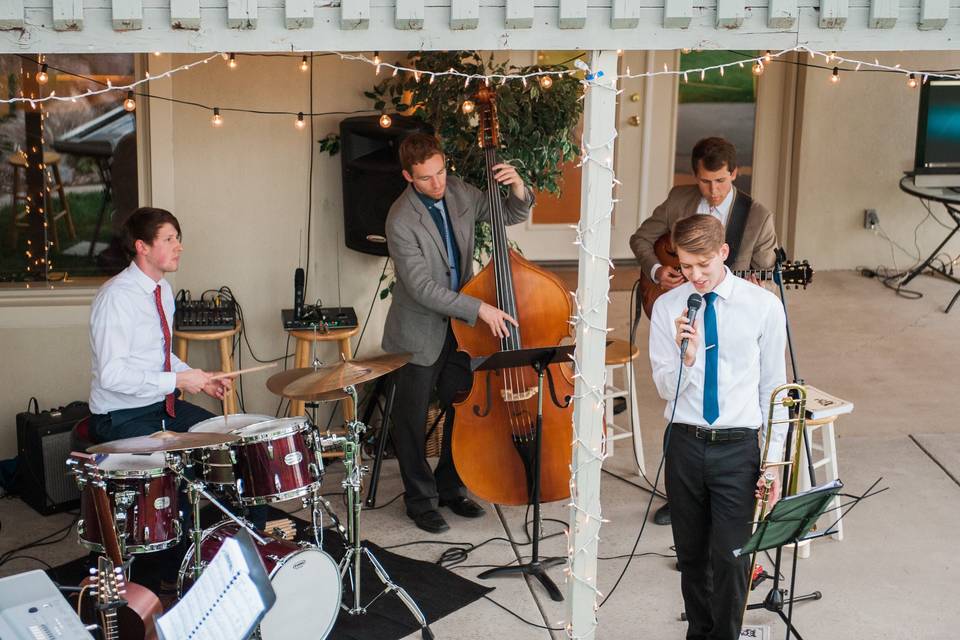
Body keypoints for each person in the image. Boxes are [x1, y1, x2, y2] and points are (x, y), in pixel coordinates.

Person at [382, 132, 534, 533]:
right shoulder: (400, 219)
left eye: (441, 172)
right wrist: (479, 308)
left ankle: (451, 487)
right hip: (417, 332)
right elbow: (421, 289)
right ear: (407, 176)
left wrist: (517, 188)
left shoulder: (460, 193)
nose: (437, 183)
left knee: (462, 408)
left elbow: (509, 216)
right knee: (412, 422)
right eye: (426, 178)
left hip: (461, 329)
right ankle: (420, 500)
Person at [648, 215, 787, 640]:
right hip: (686, 444)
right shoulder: (669, 307)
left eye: (703, 264)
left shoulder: (763, 306)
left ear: (723, 253)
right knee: (691, 556)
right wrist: (686, 359)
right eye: (687, 266)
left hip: (737, 445)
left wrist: (774, 460)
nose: (695, 276)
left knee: (731, 557)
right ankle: (699, 633)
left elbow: (773, 387)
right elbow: (664, 389)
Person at [629, 136, 779, 526]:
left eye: (721, 182)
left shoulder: (757, 215)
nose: (712, 191)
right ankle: (682, 497)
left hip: (731, 312)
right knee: (684, 399)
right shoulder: (679, 199)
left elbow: (765, 268)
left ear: (734, 175)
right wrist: (660, 271)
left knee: (732, 383)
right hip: (683, 309)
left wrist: (759, 286)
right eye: (705, 182)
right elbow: (642, 238)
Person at [89, 207, 230, 442]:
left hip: (161, 407)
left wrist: (200, 378)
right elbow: (112, 375)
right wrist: (179, 380)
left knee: (223, 441)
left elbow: (160, 357)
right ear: (142, 247)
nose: (179, 246)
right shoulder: (116, 298)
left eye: (177, 238)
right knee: (179, 467)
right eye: (168, 239)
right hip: (120, 417)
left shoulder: (163, 289)